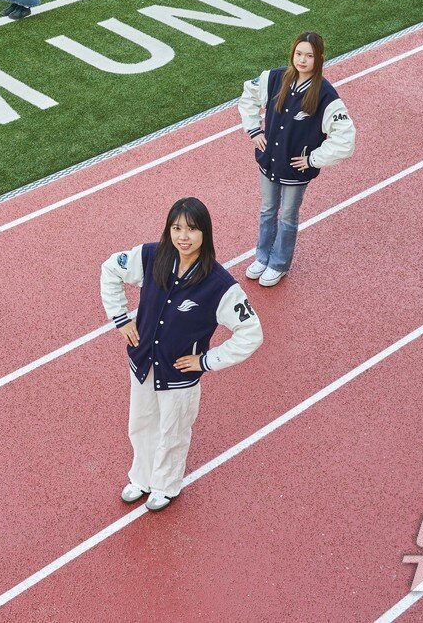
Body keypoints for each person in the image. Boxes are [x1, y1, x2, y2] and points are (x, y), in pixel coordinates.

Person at [101, 197, 263, 513]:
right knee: (141, 423)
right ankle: (142, 478)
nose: (183, 237)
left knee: (173, 431)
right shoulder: (150, 256)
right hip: (143, 364)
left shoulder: (219, 285)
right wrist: (121, 319)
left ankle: (165, 485)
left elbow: (251, 333)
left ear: (205, 233)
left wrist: (206, 361)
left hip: (180, 376)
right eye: (176, 228)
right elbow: (109, 269)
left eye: (191, 229)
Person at [237, 32, 356, 286]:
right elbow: (248, 96)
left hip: (295, 171)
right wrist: (254, 130)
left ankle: (279, 263)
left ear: (319, 59)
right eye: (299, 53)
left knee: (288, 216)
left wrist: (313, 159)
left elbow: (345, 139)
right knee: (267, 210)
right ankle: (262, 256)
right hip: (268, 162)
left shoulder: (325, 95)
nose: (302, 60)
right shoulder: (274, 77)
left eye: (309, 56)